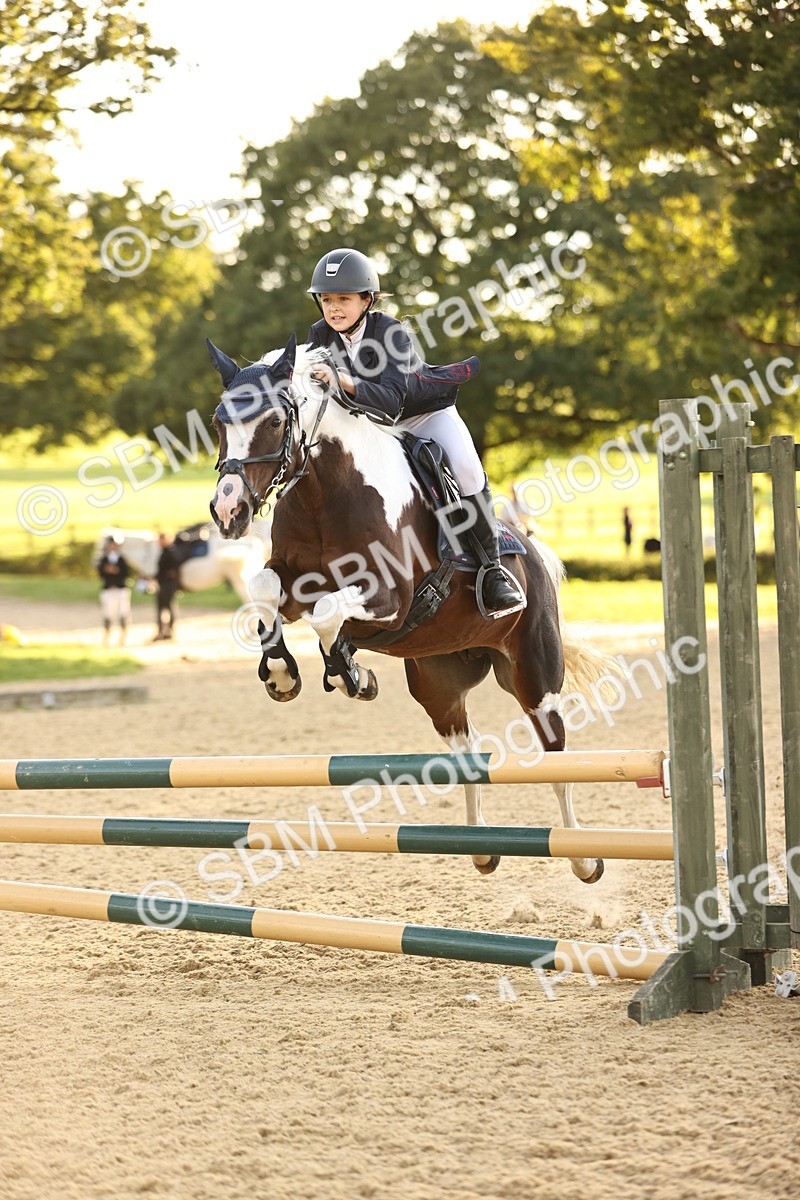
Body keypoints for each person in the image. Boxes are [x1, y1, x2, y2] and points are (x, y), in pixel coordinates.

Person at [304, 247, 524, 618]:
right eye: (327, 299)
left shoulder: (391, 332)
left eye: (344, 298)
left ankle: (492, 570)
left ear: (367, 300)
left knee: (467, 469)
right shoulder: (320, 335)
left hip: (425, 414)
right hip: (375, 426)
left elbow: (391, 398)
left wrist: (341, 380)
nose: (334, 308)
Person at [97, 535, 131, 646]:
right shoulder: (104, 559)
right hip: (109, 588)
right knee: (108, 613)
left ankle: (123, 637)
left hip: (120, 588)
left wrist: (117, 571)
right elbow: (100, 573)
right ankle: (107, 636)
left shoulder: (122, 559)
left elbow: (127, 573)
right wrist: (107, 571)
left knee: (123, 612)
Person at [154, 532, 180, 641]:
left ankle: (169, 631)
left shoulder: (170, 552)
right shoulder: (165, 552)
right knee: (163, 608)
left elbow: (172, 570)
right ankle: (162, 631)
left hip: (168, 584)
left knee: (168, 607)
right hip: (164, 583)